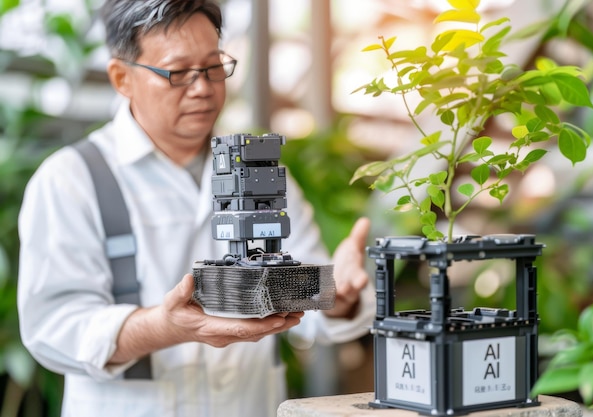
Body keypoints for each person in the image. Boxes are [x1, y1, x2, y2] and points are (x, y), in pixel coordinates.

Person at [16, 1, 376, 416]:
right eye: (178, 73)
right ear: (121, 78)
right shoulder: (70, 179)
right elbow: (54, 327)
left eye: (212, 67)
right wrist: (162, 327)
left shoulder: (263, 175)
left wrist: (340, 294)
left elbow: (305, 306)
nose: (202, 88)